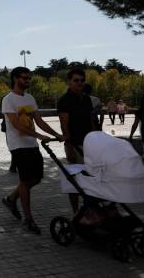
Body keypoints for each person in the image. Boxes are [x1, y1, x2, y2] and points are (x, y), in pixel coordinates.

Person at [1, 67, 63, 234]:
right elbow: (16, 124)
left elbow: (39, 120)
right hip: (18, 146)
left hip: (32, 144)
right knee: (26, 181)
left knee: (35, 179)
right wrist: (39, 135)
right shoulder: (8, 100)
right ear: (15, 78)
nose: (27, 80)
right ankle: (29, 219)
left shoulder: (29, 98)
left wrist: (56, 134)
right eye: (24, 78)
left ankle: (11, 199)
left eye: (29, 78)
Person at [57, 68, 96, 213]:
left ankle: (90, 208)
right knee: (75, 180)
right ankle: (76, 212)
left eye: (82, 80)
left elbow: (90, 120)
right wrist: (68, 146)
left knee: (91, 177)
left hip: (89, 143)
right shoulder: (64, 100)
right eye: (76, 80)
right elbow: (64, 125)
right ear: (69, 82)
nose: (79, 83)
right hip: (75, 144)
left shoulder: (86, 98)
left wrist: (95, 139)